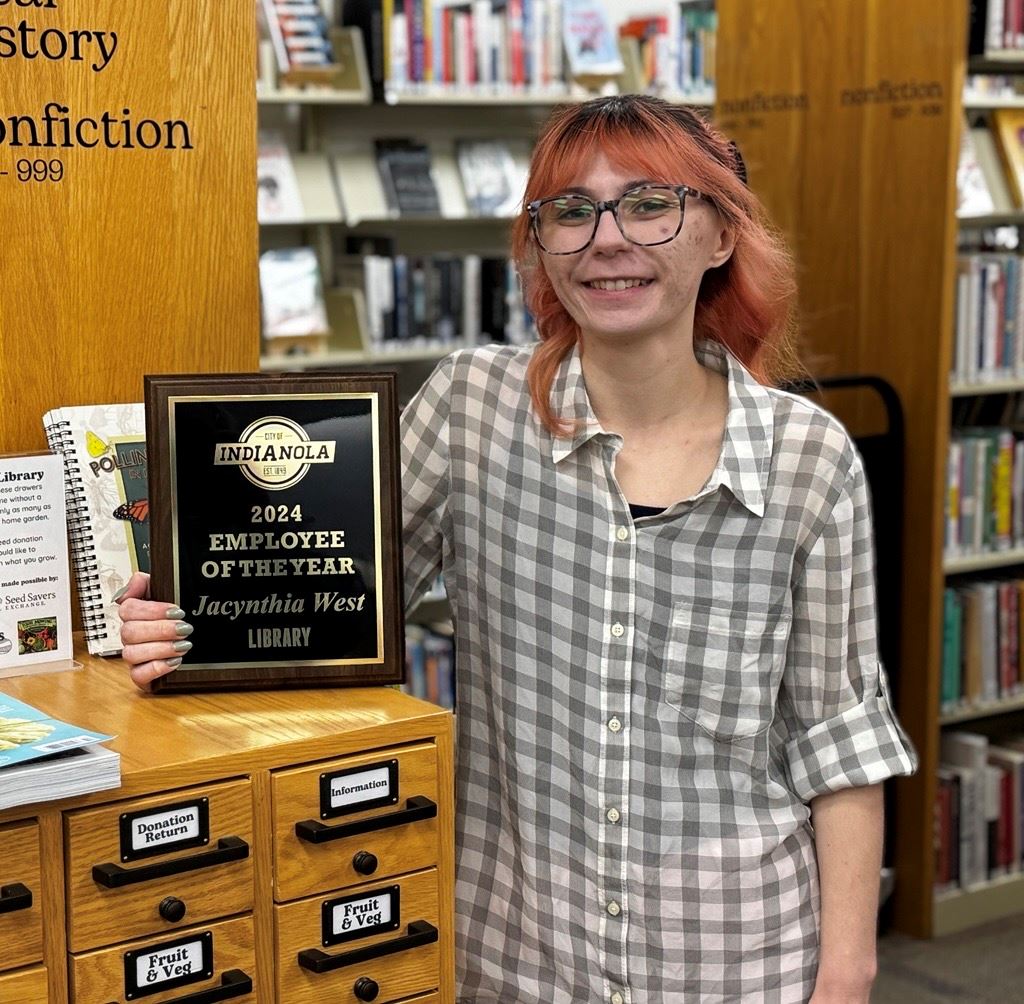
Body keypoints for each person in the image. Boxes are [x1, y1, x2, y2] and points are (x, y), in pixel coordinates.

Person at [118, 95, 918, 1003]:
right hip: (514, 956)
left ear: (721, 235)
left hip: (740, 958)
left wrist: (845, 975)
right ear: (539, 247)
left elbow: (840, 741)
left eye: (651, 203)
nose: (607, 240)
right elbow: (322, 604)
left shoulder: (809, 459)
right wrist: (191, 627)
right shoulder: (470, 411)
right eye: (569, 213)